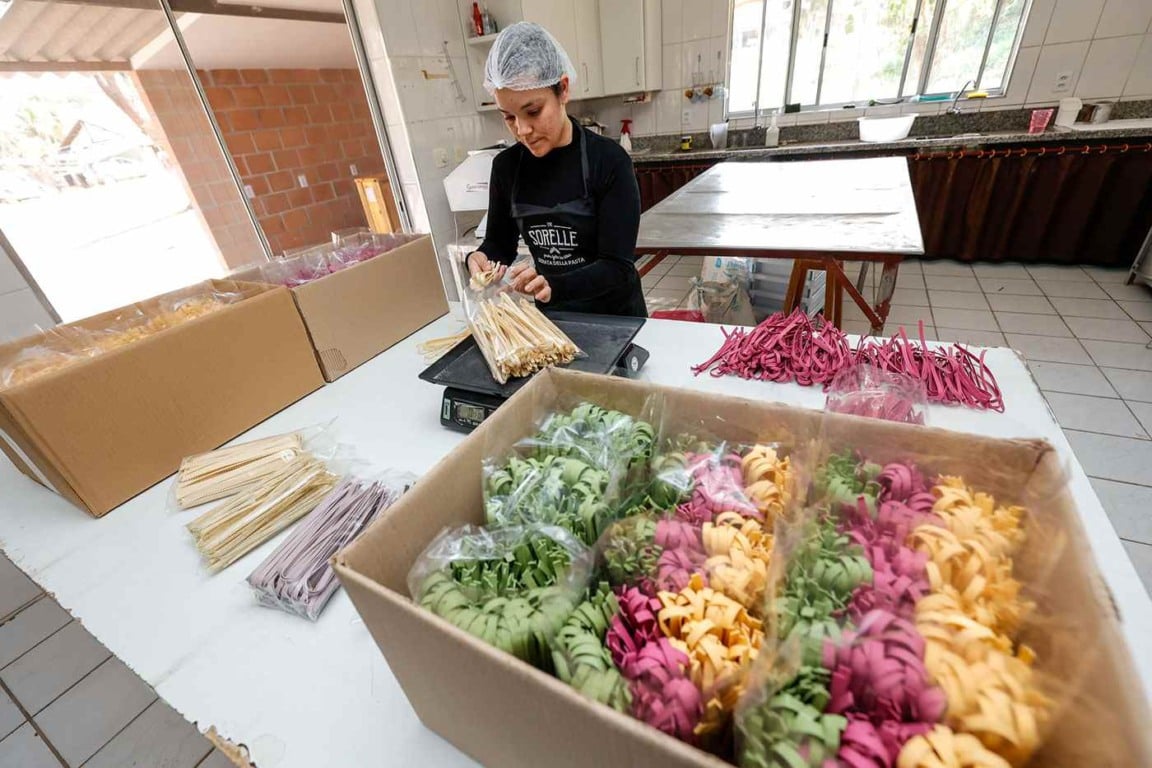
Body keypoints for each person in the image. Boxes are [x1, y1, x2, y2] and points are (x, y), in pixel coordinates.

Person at [467, 22, 647, 318]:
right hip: (556, 320)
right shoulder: (506, 167)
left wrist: (554, 284)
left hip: (617, 318)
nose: (522, 130)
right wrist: (480, 257)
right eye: (509, 117)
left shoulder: (609, 160)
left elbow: (618, 267)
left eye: (533, 112)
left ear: (563, 89)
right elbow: (500, 242)